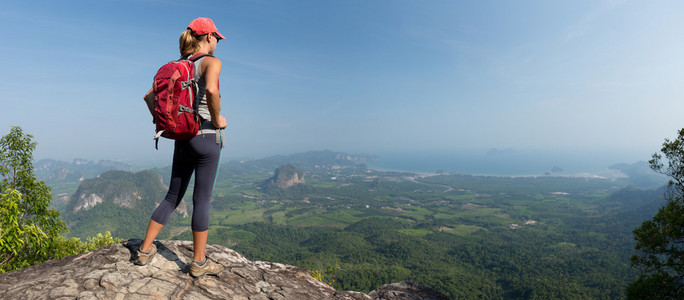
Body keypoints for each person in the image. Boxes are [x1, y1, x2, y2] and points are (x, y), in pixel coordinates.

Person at [136, 17, 228, 278]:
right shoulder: (211, 62)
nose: (217, 42)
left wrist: (168, 124)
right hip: (207, 137)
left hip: (182, 137)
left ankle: (144, 250)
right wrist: (217, 118)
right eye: (217, 38)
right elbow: (211, 90)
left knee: (172, 195)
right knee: (202, 199)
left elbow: (149, 97)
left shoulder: (177, 66)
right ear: (208, 37)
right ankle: (199, 263)